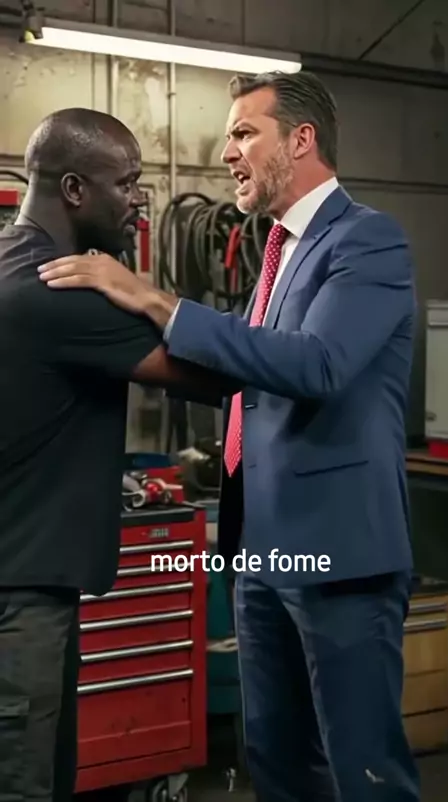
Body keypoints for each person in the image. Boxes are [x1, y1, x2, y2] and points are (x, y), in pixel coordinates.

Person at [38, 72, 421, 802]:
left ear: (301, 140)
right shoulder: (277, 253)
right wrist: (107, 342)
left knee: (364, 769)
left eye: (244, 133)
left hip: (340, 556)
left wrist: (155, 298)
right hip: (262, 551)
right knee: (276, 760)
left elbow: (318, 364)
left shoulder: (367, 241)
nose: (227, 153)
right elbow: (244, 364)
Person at [0, 107, 237, 802]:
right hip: (21, 601)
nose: (138, 200)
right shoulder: (61, 289)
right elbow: (219, 376)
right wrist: (147, 295)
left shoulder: (10, 262)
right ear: (75, 190)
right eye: (127, 183)